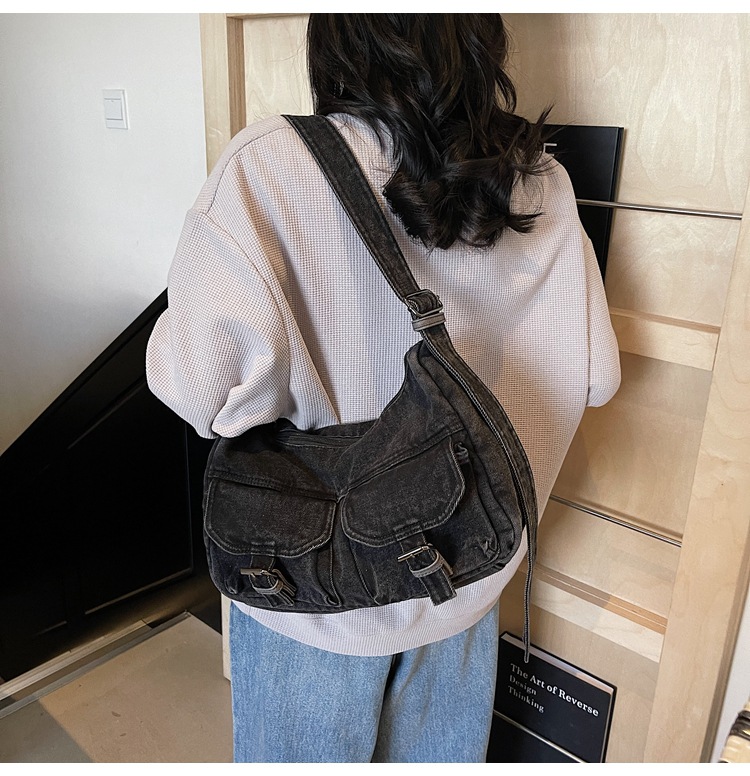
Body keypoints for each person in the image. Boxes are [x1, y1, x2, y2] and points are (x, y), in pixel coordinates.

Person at [145, 13, 620, 763]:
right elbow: (597, 376)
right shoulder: (536, 180)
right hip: (462, 573)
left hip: (309, 593)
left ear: (337, 36)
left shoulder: (267, 166)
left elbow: (202, 392)